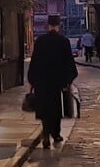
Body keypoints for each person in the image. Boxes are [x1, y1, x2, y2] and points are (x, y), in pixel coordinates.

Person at [29, 14, 78, 149]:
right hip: (57, 82)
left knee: (44, 108)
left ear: (48, 25)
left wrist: (32, 80)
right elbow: (69, 62)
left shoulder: (40, 41)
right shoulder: (63, 41)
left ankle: (46, 134)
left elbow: (34, 61)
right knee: (56, 109)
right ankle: (56, 134)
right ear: (59, 26)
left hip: (42, 81)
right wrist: (68, 80)